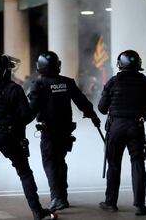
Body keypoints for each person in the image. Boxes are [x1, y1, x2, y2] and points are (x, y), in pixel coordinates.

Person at [0, 55, 51, 220]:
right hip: (9, 136)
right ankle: (37, 212)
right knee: (24, 172)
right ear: (5, 72)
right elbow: (26, 115)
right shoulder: (14, 88)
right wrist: (34, 105)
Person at [28, 51, 101, 212]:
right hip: (65, 129)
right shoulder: (67, 82)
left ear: (39, 67)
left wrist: (19, 121)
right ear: (57, 65)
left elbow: (31, 109)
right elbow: (81, 101)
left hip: (49, 130)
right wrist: (93, 115)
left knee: (50, 163)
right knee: (60, 161)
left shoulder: (38, 84)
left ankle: (57, 198)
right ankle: (63, 197)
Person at [97, 50, 146, 216]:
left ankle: (110, 202)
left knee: (114, 164)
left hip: (116, 127)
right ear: (138, 64)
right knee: (138, 163)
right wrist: (139, 109)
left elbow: (102, 108)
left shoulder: (112, 82)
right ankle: (140, 205)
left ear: (120, 64)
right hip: (136, 126)